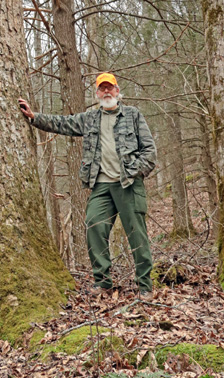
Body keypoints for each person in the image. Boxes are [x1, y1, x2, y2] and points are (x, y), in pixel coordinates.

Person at [18, 73, 156, 297]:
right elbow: (63, 123)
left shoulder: (133, 115)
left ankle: (145, 286)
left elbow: (150, 152)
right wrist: (34, 117)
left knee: (137, 234)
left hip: (128, 184)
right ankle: (102, 283)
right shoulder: (90, 118)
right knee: (94, 226)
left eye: (110, 88)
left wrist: (133, 172)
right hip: (101, 186)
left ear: (118, 91)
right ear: (97, 93)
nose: (107, 92)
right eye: (102, 89)